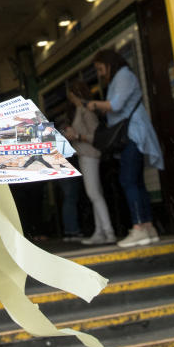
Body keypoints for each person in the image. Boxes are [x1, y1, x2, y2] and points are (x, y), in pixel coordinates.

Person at [85, 49, 163, 248]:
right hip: (134, 134)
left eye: (101, 68)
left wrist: (95, 104)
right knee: (136, 180)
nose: (101, 73)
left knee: (128, 179)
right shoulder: (123, 76)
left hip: (133, 135)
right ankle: (147, 227)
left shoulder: (123, 76)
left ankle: (138, 227)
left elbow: (116, 105)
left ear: (109, 63)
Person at [63, 79, 116, 245]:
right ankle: (100, 232)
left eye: (71, 96)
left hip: (89, 155)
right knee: (95, 194)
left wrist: (76, 136)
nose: (70, 100)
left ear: (76, 95)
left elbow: (95, 137)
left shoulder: (85, 111)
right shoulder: (81, 110)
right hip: (86, 154)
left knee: (93, 194)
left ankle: (108, 231)